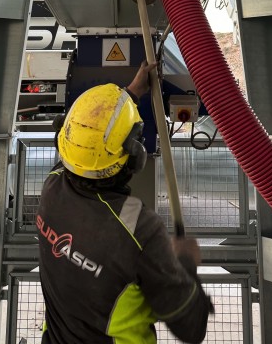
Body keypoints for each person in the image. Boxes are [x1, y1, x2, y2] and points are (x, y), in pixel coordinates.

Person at [37, 61, 212, 343]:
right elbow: (192, 328)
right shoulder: (138, 230)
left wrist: (128, 95)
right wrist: (185, 264)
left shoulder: (52, 187)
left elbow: (87, 148)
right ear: (134, 158)